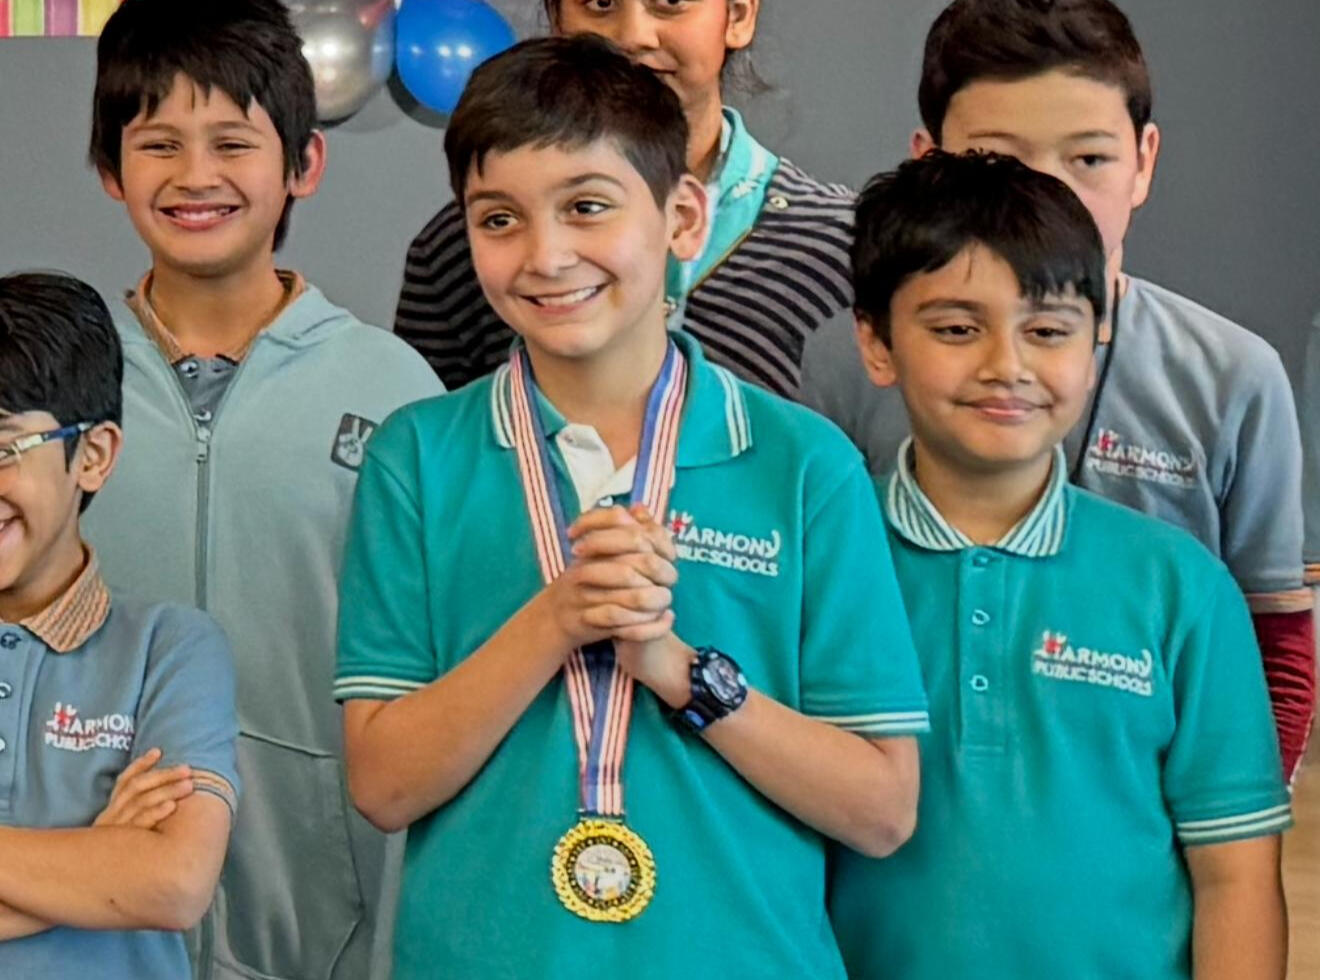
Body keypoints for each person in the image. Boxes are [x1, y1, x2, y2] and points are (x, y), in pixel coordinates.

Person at [336, 36, 928, 979]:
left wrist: (679, 670)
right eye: (500, 219)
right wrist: (557, 619)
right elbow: (384, 785)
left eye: (587, 207)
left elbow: (882, 810)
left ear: (682, 217)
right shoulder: (418, 457)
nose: (546, 255)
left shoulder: (803, 463)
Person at [802, 0, 1313, 780]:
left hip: (1141, 811)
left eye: (1089, 160)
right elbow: (810, 604)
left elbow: (1274, 643)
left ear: (1144, 161)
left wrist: (1229, 825)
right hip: (897, 803)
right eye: (995, 159)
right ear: (927, 163)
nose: (1049, 196)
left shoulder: (1234, 376)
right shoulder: (849, 358)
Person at [828, 150, 1291, 979]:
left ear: (1096, 337)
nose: (1006, 366)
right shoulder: (821, 560)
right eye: (956, 328)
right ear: (876, 341)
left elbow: (1236, 876)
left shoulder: (1179, 586)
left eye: (1047, 331)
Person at [80, 1, 443, 977]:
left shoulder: (396, 392)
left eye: (233, 143)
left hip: (330, 921)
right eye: (158, 144)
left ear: (303, 165)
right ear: (111, 169)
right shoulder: (54, 384)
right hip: (88, 912)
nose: (195, 175)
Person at [395, 0, 856, 401]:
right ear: (557, 20)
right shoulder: (458, 249)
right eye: (599, 3)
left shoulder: (843, 247)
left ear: (737, 15)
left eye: (670, 2)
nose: (633, 36)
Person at [0, 272, 239, 978]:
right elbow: (135, 877)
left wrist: (136, 868)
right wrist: (98, 855)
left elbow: (174, 882)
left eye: (4, 448)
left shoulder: (172, 649)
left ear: (94, 455)